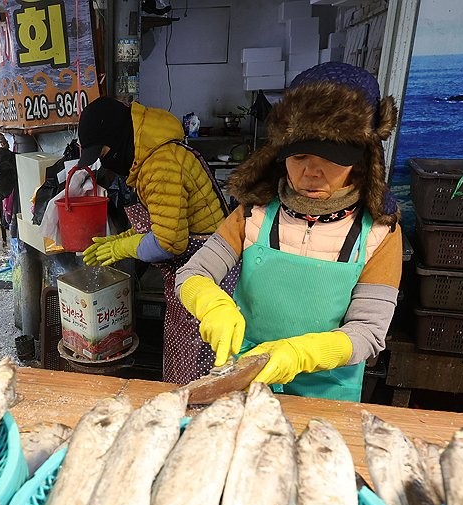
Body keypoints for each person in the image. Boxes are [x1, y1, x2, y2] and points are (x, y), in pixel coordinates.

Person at [176, 62, 402, 402]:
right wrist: (210, 304)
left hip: (327, 391)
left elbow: (368, 331)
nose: (312, 172)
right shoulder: (254, 211)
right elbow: (193, 272)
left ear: (361, 159)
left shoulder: (379, 232)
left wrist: (300, 354)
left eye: (332, 158)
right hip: (249, 378)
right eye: (299, 156)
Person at [75, 97, 228, 384]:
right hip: (193, 272)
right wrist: (122, 238)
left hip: (210, 277)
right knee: (181, 357)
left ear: (120, 136)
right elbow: (165, 221)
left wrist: (122, 247)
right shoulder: (153, 155)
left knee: (200, 371)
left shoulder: (160, 164)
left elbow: (170, 241)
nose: (106, 159)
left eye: (104, 151)